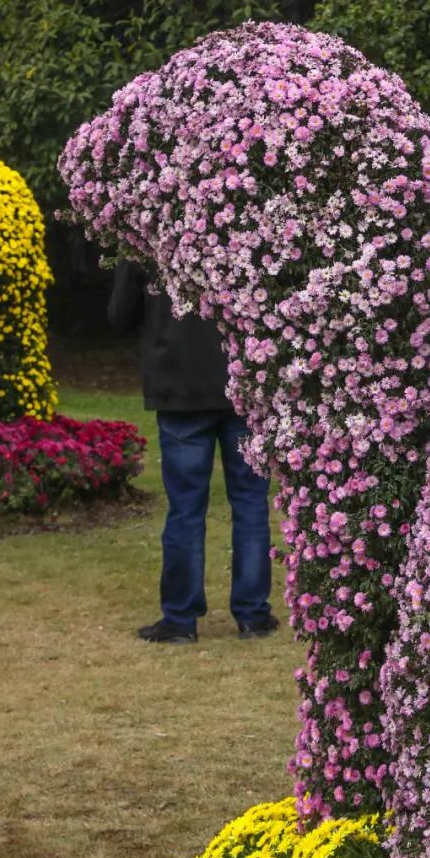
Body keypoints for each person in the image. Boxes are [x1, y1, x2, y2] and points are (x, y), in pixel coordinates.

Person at [108, 259, 278, 644]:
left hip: (178, 382)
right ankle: (253, 615)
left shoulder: (143, 232)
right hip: (244, 380)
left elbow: (120, 314)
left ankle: (181, 618)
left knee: (185, 508)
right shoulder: (246, 218)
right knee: (250, 502)